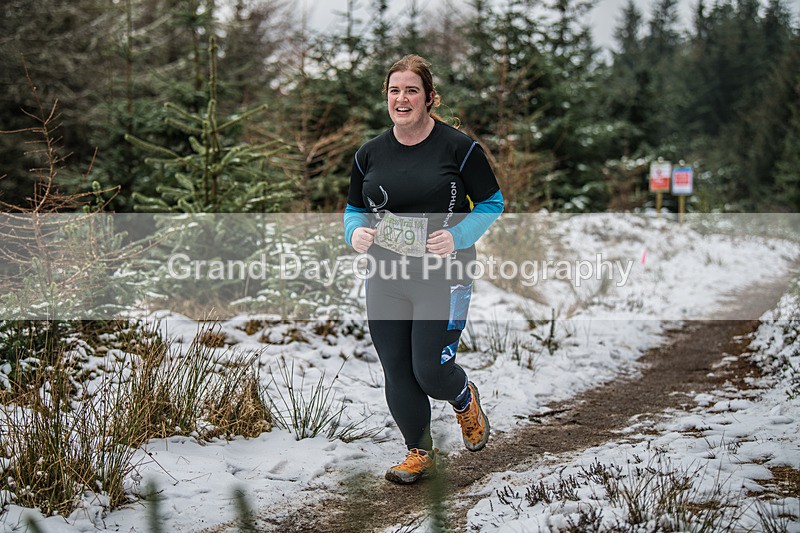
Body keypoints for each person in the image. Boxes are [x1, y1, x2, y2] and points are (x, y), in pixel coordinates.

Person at [343, 54, 504, 484]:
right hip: (387, 276)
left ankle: (463, 396)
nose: (402, 98)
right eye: (394, 90)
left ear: (429, 98)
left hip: (443, 273)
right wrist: (354, 232)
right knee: (396, 368)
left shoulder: (459, 148)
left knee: (429, 370)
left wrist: (459, 234)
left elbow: (492, 203)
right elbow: (355, 207)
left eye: (412, 90)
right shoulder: (369, 153)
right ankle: (420, 453)